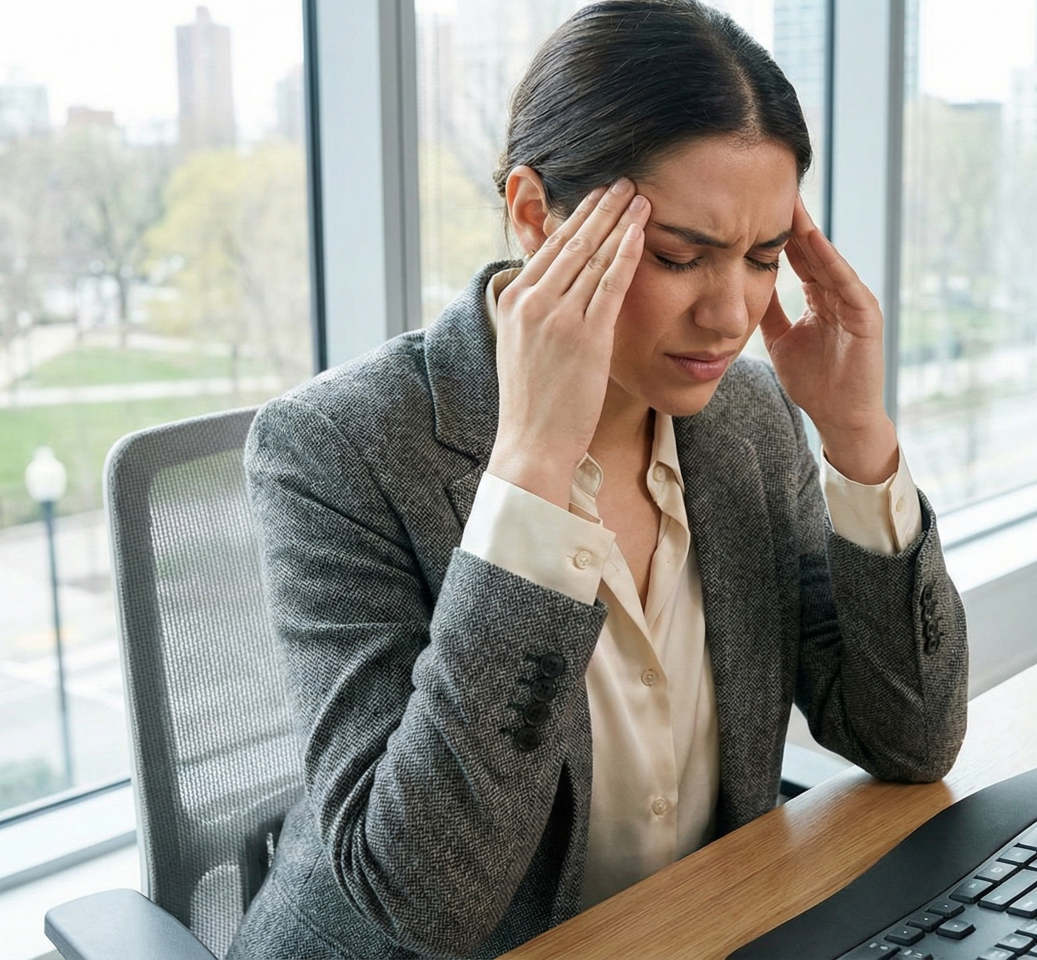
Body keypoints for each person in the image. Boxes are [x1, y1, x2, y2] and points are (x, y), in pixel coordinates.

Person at [227, 2, 968, 957]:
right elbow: (425, 900)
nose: (732, 312)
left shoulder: (748, 422)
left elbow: (910, 738)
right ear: (536, 215)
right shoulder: (336, 450)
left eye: (763, 258)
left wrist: (858, 437)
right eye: (677, 256)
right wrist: (531, 479)